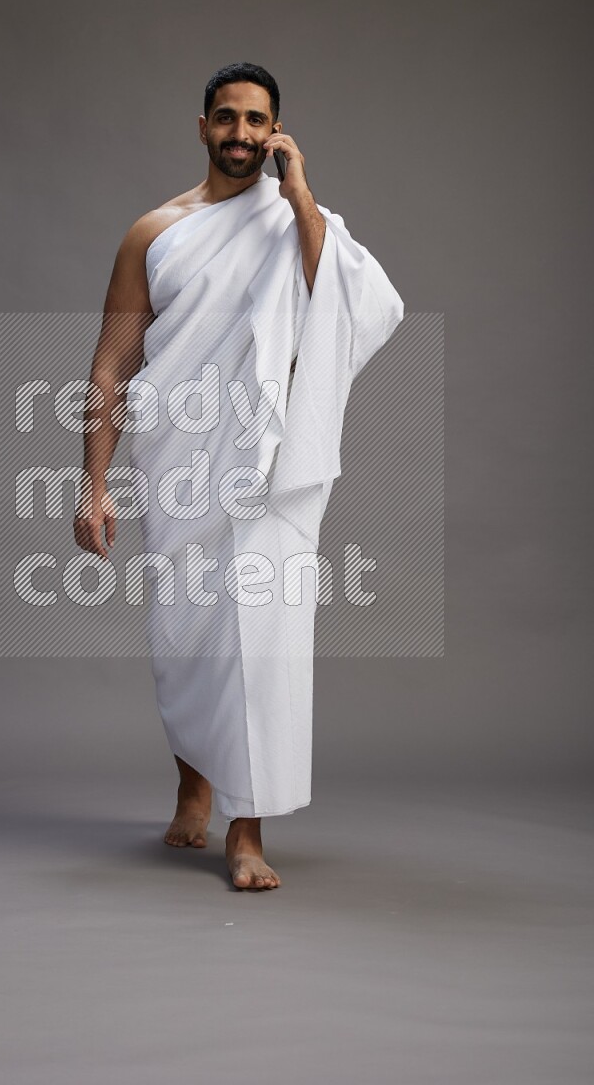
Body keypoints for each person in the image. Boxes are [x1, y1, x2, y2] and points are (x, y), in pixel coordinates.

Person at [74, 62, 404, 890]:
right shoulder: (154, 232)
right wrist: (93, 482)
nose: (243, 135)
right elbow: (113, 364)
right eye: (228, 119)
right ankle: (194, 777)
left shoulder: (301, 222)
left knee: (263, 639)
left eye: (259, 122)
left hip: (268, 467)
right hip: (181, 461)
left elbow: (363, 307)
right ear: (202, 126)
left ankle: (246, 832)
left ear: (278, 132)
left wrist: (299, 199)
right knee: (183, 639)